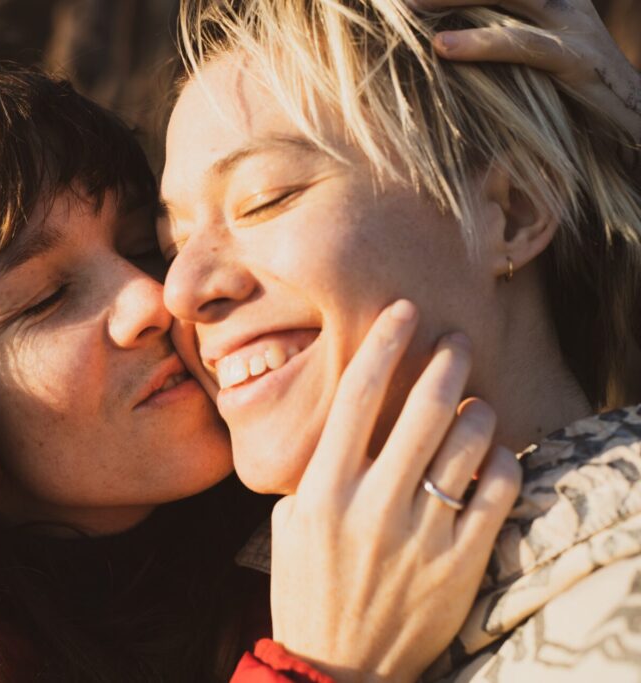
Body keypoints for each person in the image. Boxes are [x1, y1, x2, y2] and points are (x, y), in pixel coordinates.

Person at [0, 68, 513, 683]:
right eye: (47, 296)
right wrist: (320, 665)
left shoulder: (264, 518)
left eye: (144, 244)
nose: (159, 297)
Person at [161, 0, 641, 680]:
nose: (180, 289)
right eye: (169, 244)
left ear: (516, 211)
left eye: (265, 198)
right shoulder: (203, 607)